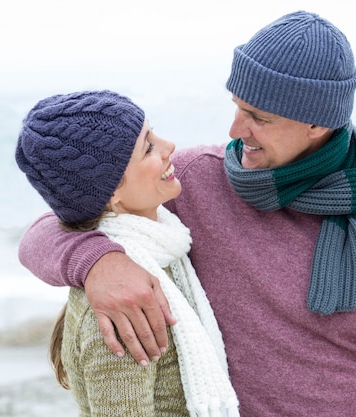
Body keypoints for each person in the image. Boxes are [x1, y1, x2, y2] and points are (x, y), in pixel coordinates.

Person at [19, 11, 356, 416]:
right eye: (237, 106)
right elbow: (48, 229)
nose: (236, 130)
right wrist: (100, 263)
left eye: (259, 117)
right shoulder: (197, 182)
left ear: (317, 121)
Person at [15, 90, 239, 417]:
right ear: (112, 193)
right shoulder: (120, 305)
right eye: (148, 146)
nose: (169, 146)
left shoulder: (164, 247)